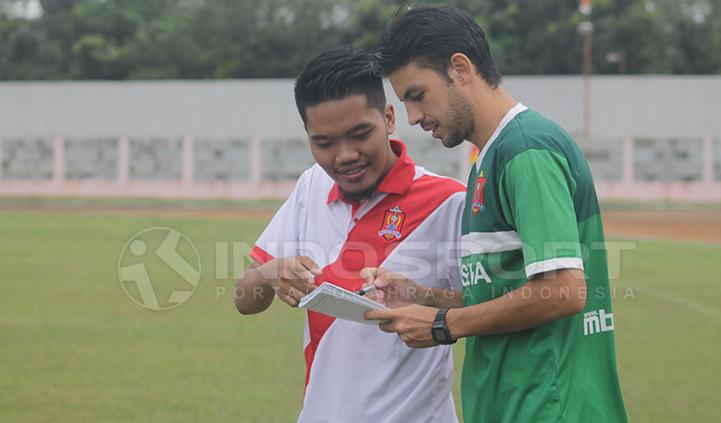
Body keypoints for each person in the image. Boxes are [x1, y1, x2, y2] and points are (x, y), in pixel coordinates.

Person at [363, 6, 629, 423]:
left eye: (417, 95)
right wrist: (420, 296)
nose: (413, 117)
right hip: (513, 406)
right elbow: (501, 296)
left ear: (460, 68)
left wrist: (442, 325)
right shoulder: (490, 160)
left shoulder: (526, 150)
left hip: (550, 408)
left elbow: (563, 290)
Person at [233, 46, 465, 423]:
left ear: (389, 118)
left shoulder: (448, 201)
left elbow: (489, 306)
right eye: (324, 143)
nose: (344, 156)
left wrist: (423, 298)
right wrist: (268, 273)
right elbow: (244, 299)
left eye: (360, 135)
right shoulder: (311, 186)